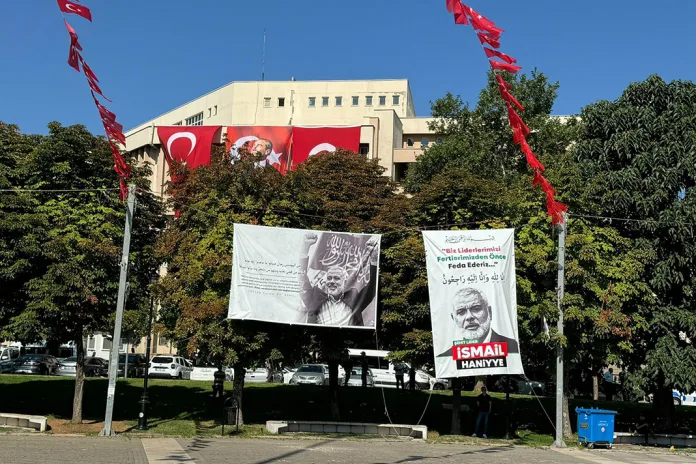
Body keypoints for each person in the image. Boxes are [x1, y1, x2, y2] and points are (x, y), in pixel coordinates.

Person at [298, 233, 378, 326]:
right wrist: (305, 249)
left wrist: (374, 261)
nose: (332, 281)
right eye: (329, 278)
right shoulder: (314, 297)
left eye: (336, 278)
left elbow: (371, 288)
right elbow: (302, 278)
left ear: (344, 282)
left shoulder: (354, 298)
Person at [438, 287, 519, 358]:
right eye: (461, 312)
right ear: (453, 319)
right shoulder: (447, 357)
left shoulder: (511, 347)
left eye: (476, 309)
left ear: (489, 312)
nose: (469, 317)